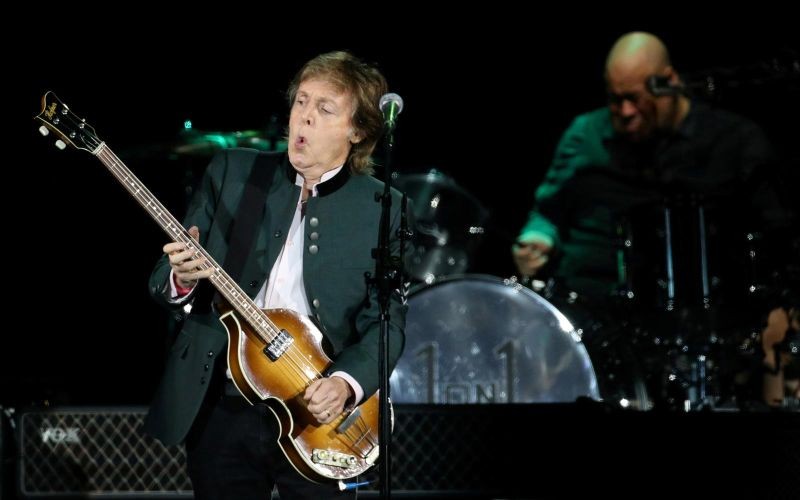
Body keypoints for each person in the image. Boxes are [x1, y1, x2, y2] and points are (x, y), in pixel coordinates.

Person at [143, 51, 409, 498]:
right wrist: (182, 278)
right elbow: (163, 279)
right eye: (301, 102)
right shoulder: (235, 172)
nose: (303, 117)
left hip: (318, 417)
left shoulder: (384, 206)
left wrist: (345, 384)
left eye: (324, 109)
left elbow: (388, 321)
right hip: (222, 406)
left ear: (358, 130)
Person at [512, 32, 794, 408]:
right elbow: (546, 213)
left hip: (707, 314)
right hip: (591, 309)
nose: (625, 112)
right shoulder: (585, 135)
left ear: (669, 83)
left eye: (635, 99)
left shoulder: (734, 140)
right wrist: (537, 238)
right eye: (616, 100)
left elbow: (779, 232)